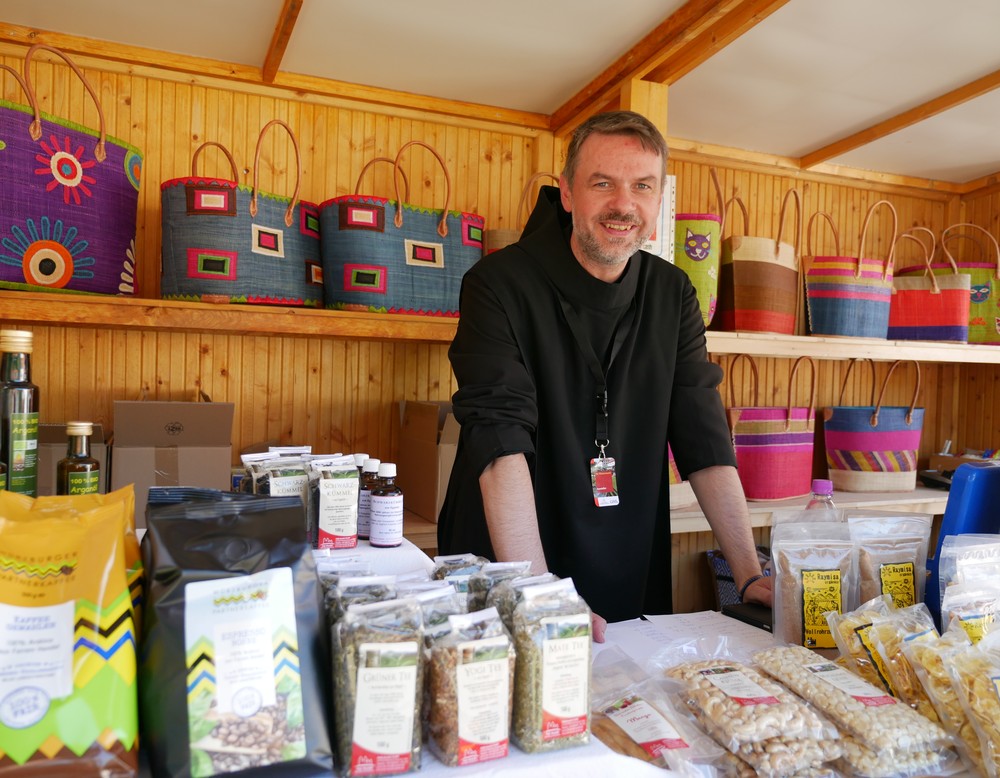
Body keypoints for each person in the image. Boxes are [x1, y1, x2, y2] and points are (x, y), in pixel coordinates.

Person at [437, 110, 772, 640]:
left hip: (624, 547)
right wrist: (541, 598)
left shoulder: (673, 293)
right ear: (567, 192)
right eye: (603, 183)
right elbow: (498, 443)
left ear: (659, 201)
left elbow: (704, 439)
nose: (624, 204)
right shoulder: (497, 285)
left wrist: (750, 574)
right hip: (513, 559)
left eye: (642, 186)